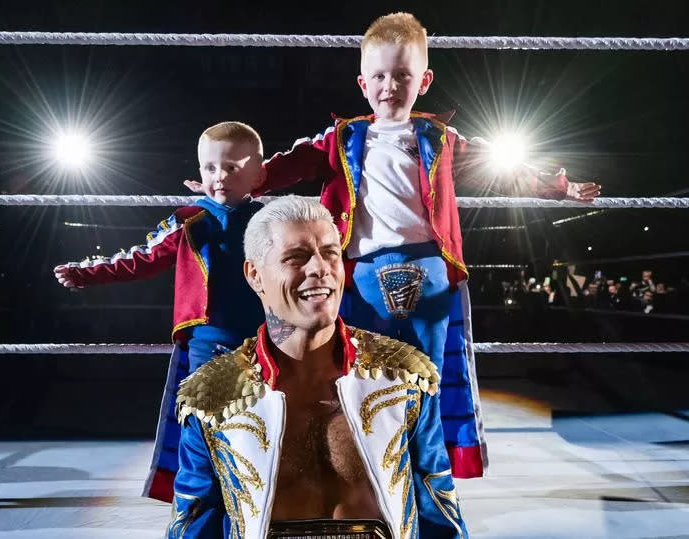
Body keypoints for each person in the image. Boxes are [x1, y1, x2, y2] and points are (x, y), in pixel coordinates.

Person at [187, 12, 600, 478]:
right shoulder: (341, 138)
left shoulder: (440, 138)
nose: (390, 86)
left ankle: (430, 476)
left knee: (433, 376)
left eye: (402, 75)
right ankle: (362, 472)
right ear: (363, 83)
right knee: (357, 373)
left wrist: (558, 186)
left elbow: (502, 164)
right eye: (380, 76)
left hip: (431, 272)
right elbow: (286, 165)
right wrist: (233, 180)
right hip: (360, 275)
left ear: (423, 80)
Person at [167, 196, 467, 538]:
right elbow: (193, 526)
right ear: (254, 275)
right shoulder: (212, 398)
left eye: (330, 253)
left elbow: (441, 515)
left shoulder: (404, 378)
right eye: (296, 257)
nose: (319, 268)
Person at [53, 121, 267, 502]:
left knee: (258, 430)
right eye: (211, 168)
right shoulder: (189, 220)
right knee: (201, 432)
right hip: (207, 344)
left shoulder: (271, 222)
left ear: (257, 173)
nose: (219, 177)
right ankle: (197, 511)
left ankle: (254, 507)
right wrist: (88, 273)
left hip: (265, 342)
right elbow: (144, 257)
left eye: (232, 168)